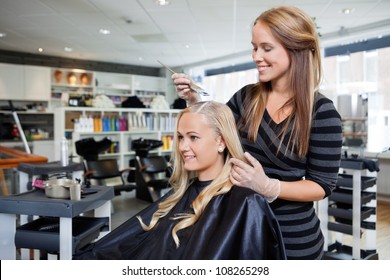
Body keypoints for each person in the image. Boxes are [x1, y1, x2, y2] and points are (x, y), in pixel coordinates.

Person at [171, 6, 343, 260]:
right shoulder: (245, 98)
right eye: (254, 47)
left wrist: (269, 187)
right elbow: (216, 133)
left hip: (293, 240)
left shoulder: (322, 112)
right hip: (240, 230)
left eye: (266, 47)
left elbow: (321, 185)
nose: (256, 56)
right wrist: (195, 101)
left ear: (295, 48)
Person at [74, 101, 286, 260]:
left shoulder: (245, 203)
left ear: (221, 142)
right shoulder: (180, 195)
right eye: (181, 137)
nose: (183, 147)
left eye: (193, 137)